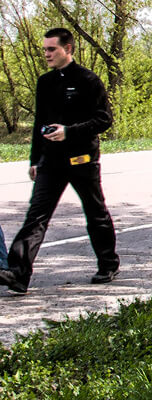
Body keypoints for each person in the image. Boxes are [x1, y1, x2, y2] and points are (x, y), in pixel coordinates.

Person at [0, 28, 118, 294]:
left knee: (95, 212)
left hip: (82, 159)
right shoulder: (45, 82)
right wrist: (34, 158)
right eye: (44, 50)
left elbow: (104, 119)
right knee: (36, 216)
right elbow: (39, 123)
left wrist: (70, 131)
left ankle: (108, 264)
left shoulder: (88, 80)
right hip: (50, 162)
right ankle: (18, 273)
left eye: (51, 49)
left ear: (68, 49)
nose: (46, 54)